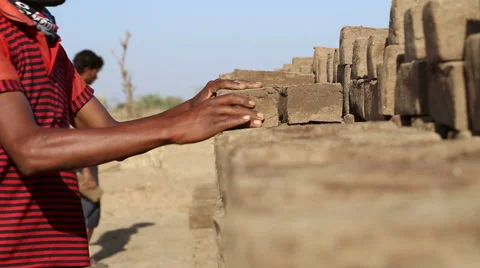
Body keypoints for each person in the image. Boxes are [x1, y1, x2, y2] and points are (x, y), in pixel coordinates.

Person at [0, 1, 264, 267]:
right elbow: (29, 150)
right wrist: (173, 128)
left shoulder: (45, 38)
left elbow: (108, 132)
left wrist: (190, 108)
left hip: (57, 249)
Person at [73, 49, 105, 267]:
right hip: (82, 162)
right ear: (88, 70)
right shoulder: (76, 92)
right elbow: (78, 136)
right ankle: (80, 259)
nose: (96, 76)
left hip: (78, 160)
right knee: (89, 211)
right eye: (95, 71)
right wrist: (86, 172)